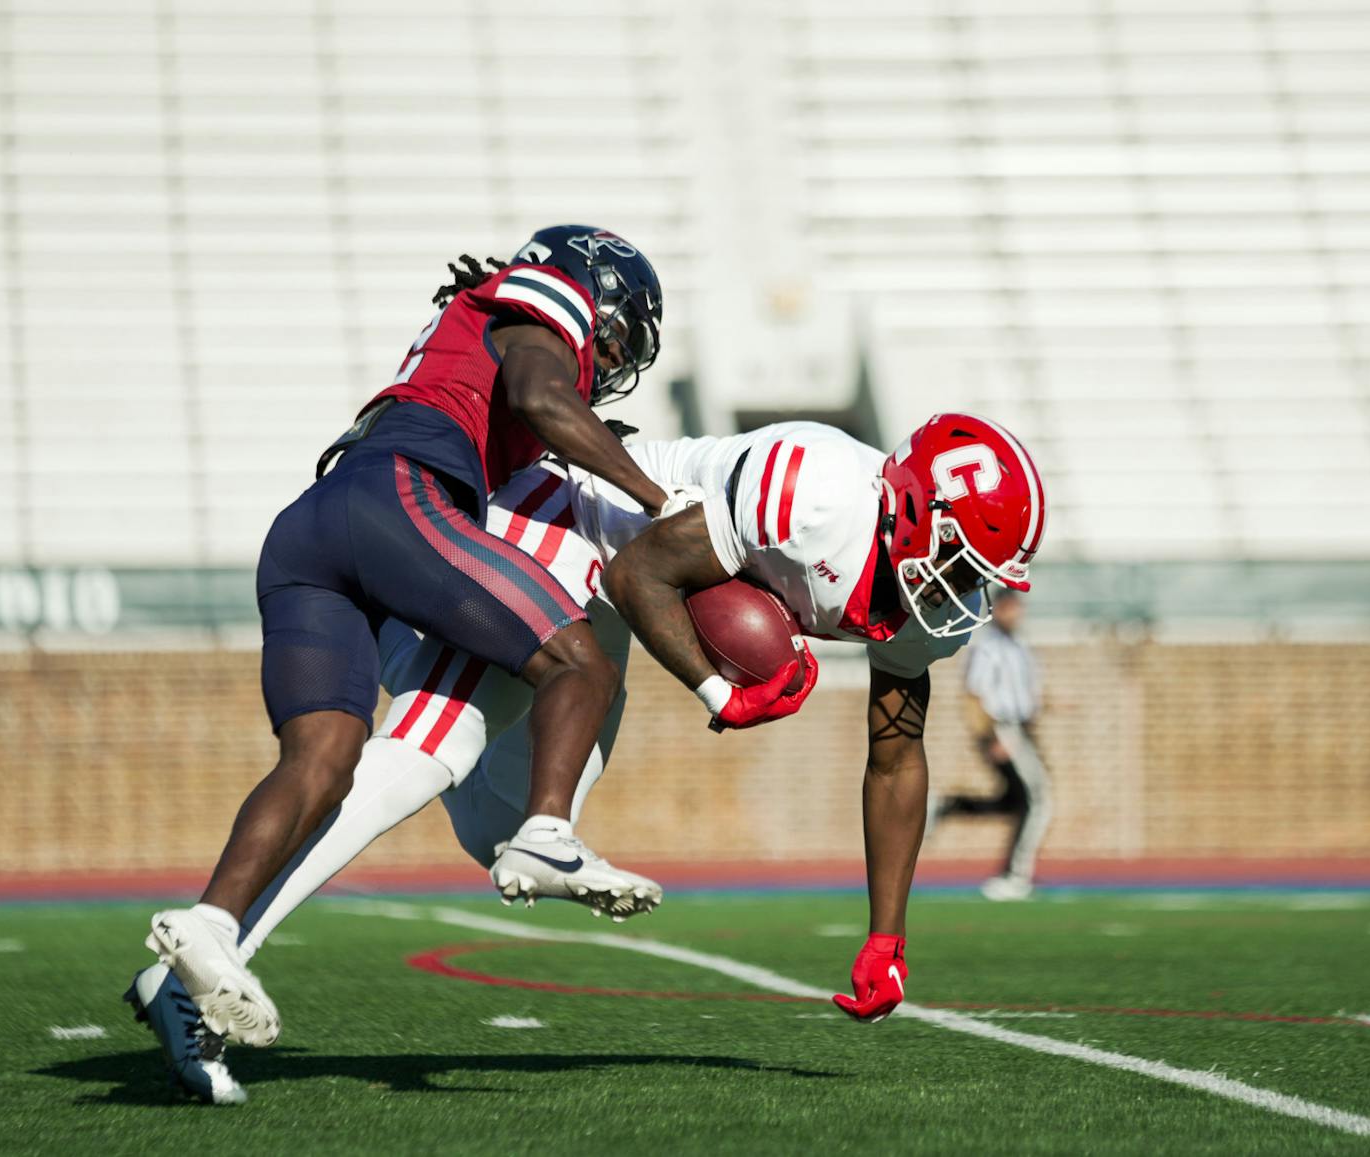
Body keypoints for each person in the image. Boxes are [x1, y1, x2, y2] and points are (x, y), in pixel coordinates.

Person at [130, 411, 1048, 1103]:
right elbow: (638, 570)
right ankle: (199, 964)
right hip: (571, 515)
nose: (963, 588)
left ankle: (435, 682)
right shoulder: (813, 492)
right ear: (913, 506)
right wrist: (720, 692)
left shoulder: (927, 602)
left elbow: (896, 753)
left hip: (618, 591)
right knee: (427, 750)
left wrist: (887, 933)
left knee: (499, 825)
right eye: (962, 560)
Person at [137, 226, 680, 1063]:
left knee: (321, 761)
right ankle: (543, 835)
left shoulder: (479, 322)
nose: (607, 357)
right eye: (613, 335)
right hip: (399, 493)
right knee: (579, 662)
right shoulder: (541, 301)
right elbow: (541, 398)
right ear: (589, 296)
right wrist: (656, 494)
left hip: (312, 527)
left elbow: (521, 413)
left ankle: (205, 931)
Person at [933, 588, 1052, 901]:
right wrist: (990, 737)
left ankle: (950, 806)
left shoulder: (1020, 645)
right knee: (1037, 800)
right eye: (1009, 607)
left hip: (1022, 730)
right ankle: (1014, 875)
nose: (1015, 613)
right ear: (997, 608)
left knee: (1015, 801)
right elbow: (974, 695)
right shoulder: (988, 648)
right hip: (1003, 729)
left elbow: (1026, 695)